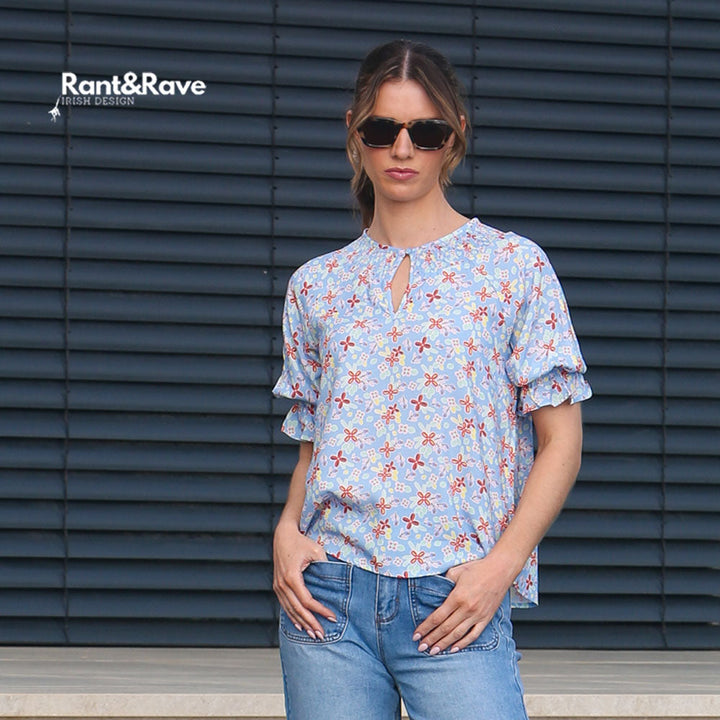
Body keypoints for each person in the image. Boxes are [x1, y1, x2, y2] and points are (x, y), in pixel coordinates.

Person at [272, 39, 591, 720]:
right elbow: (313, 444)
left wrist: (500, 569)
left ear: (455, 137)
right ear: (355, 133)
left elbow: (561, 443)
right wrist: (286, 530)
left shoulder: (514, 268)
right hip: (326, 597)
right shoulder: (315, 285)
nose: (403, 148)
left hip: (454, 597)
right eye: (382, 129)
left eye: (426, 131)